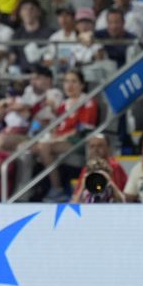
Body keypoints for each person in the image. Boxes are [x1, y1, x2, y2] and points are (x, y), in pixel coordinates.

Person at [36, 70, 99, 203]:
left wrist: (58, 138)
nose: (69, 85)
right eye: (66, 81)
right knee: (30, 148)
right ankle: (32, 189)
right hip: (60, 139)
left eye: (73, 81)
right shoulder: (64, 104)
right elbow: (58, 126)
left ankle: (57, 188)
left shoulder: (88, 101)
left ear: (82, 85)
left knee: (44, 147)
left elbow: (82, 128)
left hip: (79, 141)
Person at [0, 64, 63, 152]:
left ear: (48, 80)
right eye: (31, 79)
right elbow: (22, 107)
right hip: (28, 131)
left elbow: (32, 113)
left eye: (37, 78)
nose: (33, 82)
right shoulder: (29, 90)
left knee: (1, 141)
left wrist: (22, 110)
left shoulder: (54, 93)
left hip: (44, 133)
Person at [71, 135, 129, 202]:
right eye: (92, 146)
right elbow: (74, 202)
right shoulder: (86, 169)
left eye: (100, 146)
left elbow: (123, 199)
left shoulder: (115, 167)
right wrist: (82, 187)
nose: (95, 149)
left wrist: (109, 181)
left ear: (108, 148)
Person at [10, 0, 53, 74]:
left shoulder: (49, 33)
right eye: (24, 9)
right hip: (23, 75)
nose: (28, 12)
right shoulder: (16, 35)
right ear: (20, 13)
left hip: (44, 74)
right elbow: (12, 58)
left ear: (39, 12)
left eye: (32, 8)